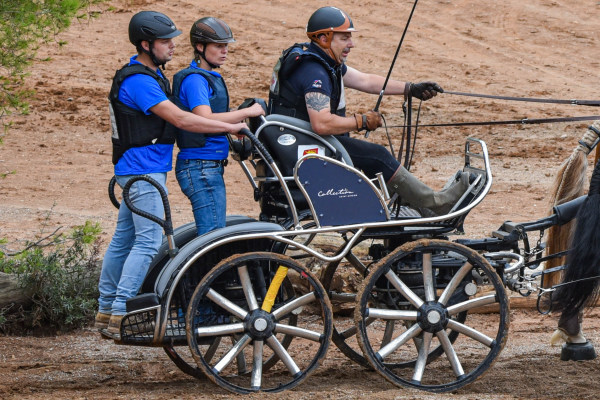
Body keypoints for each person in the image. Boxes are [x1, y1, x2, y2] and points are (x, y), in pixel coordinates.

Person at [96, 11, 247, 340]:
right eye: (165, 41)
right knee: (149, 242)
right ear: (146, 44)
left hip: (138, 169)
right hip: (143, 171)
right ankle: (121, 311)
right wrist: (231, 125)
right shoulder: (140, 81)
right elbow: (184, 120)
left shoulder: (147, 76)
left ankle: (107, 308)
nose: (173, 46)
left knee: (124, 241)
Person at [268, 6, 471, 216]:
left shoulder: (321, 61)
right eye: (344, 38)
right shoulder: (313, 71)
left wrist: (410, 88)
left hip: (301, 142)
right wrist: (361, 121)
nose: (351, 44)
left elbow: (365, 80)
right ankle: (436, 203)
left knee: (372, 156)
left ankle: (418, 206)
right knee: (377, 157)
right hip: (308, 147)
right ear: (323, 38)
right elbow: (322, 123)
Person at [172, 17, 265, 236]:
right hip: (201, 167)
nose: (224, 51)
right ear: (200, 47)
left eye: (226, 46)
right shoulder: (195, 80)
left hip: (205, 165)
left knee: (212, 233)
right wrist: (247, 113)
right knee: (211, 237)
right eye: (218, 46)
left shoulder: (205, 77)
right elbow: (205, 117)